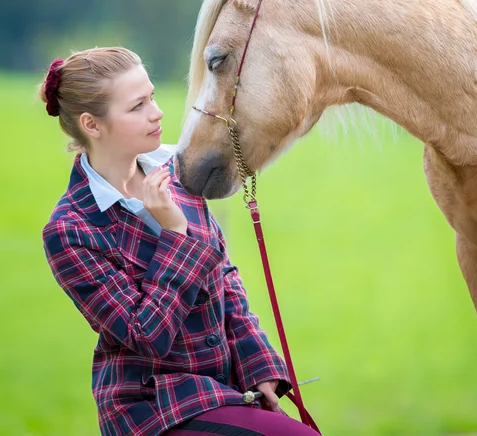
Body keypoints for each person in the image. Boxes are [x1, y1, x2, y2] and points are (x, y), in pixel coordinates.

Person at [39, 46, 318, 436]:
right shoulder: (71, 230)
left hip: (224, 388)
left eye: (151, 97)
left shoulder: (180, 171)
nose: (157, 112)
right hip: (152, 405)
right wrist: (174, 234)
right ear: (92, 124)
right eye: (137, 106)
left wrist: (258, 366)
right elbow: (146, 335)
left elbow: (224, 279)